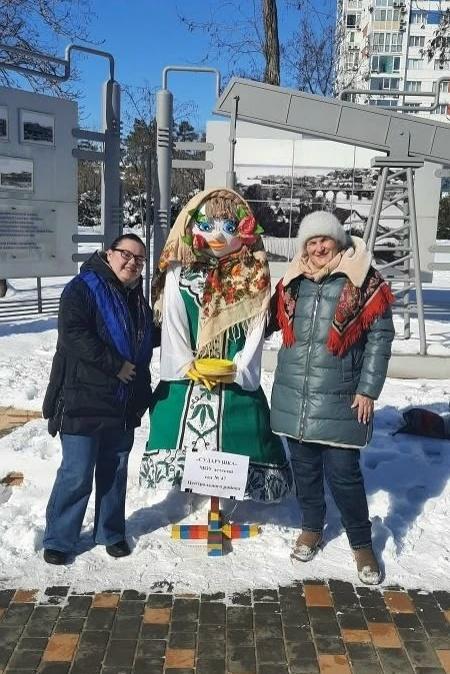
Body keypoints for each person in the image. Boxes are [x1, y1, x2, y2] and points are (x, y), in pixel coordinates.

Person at [139, 188, 292, 502]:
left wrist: (241, 368)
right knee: (172, 421)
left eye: (230, 227)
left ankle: (237, 485)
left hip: (233, 371)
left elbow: (256, 328)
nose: (218, 236)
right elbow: (173, 320)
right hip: (190, 373)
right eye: (207, 226)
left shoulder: (254, 274)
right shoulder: (179, 272)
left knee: (244, 427)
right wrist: (185, 364)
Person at [269, 211, 395, 584]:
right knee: (305, 470)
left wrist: (368, 389)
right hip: (296, 394)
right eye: (311, 242)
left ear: (337, 240)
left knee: (344, 475)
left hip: (341, 396)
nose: (318, 247)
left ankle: (362, 544)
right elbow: (269, 320)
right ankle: (311, 528)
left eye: (324, 239)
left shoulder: (362, 278)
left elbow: (380, 338)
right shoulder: (292, 280)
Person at [42, 233, 155, 565]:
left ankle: (111, 532)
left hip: (122, 401)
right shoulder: (82, 288)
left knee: (114, 470)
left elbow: (146, 336)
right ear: (109, 254)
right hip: (82, 397)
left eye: (139, 259)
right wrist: (115, 365)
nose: (132, 263)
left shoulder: (137, 299)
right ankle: (60, 538)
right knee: (77, 471)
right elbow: (74, 333)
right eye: (126, 254)